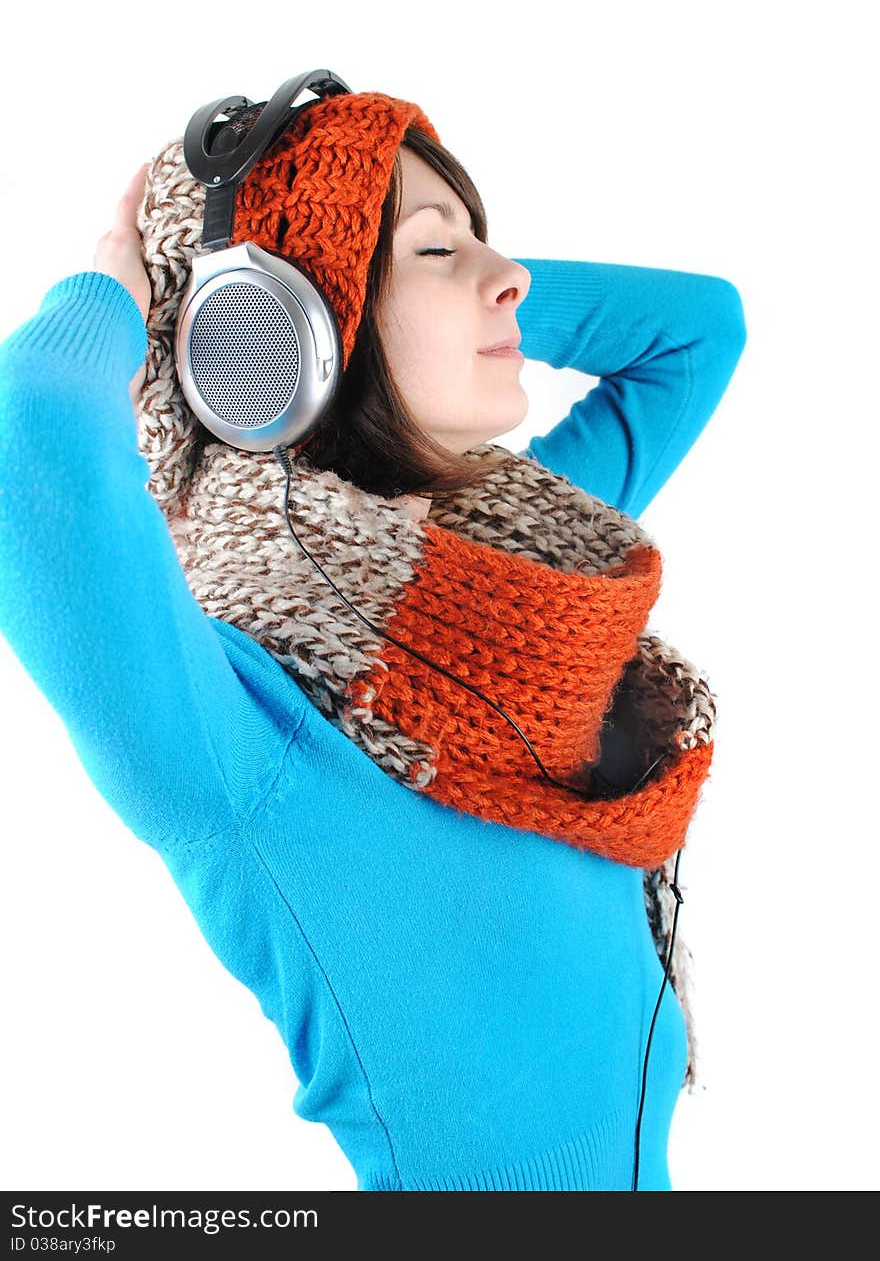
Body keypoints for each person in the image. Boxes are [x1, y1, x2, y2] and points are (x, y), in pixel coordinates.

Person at [0, 83, 747, 1192]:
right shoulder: (247, 734)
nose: (513, 280)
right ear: (273, 338)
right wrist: (118, 291)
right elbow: (29, 442)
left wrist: (452, 291)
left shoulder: (512, 599)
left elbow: (697, 330)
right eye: (437, 252)